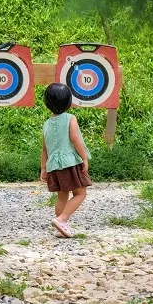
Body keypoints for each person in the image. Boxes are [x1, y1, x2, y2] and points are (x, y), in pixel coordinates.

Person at [40, 82, 92, 238]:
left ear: (47, 103)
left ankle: (60, 227)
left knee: (62, 196)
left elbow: (44, 149)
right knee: (80, 193)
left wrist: (43, 168)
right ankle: (62, 219)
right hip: (69, 163)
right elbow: (75, 139)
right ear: (69, 102)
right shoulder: (70, 118)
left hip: (53, 165)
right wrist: (84, 157)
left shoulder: (47, 124)